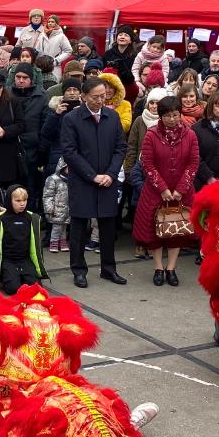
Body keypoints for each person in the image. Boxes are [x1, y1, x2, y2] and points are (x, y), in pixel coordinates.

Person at [61, 77, 128, 288]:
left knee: (108, 226)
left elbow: (120, 148)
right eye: (95, 97)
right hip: (83, 180)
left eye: (103, 96)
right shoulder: (72, 119)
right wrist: (92, 175)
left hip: (108, 180)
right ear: (84, 97)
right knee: (80, 227)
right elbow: (70, 152)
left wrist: (110, 173)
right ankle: (79, 270)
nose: (100, 100)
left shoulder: (112, 116)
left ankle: (109, 269)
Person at [133, 96, 200, 287]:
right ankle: (158, 267)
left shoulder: (190, 135)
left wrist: (180, 189)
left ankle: (171, 267)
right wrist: (162, 188)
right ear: (161, 116)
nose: (173, 119)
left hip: (182, 191)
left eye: (176, 115)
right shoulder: (152, 135)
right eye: (168, 116)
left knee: (176, 230)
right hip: (155, 191)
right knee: (154, 230)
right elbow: (147, 164)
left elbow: (193, 162)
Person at [0, 185, 46, 294]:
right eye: (18, 200)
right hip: (8, 260)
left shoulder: (32, 218)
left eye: (24, 200)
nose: (22, 204)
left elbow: (37, 247)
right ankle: (11, 276)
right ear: (9, 200)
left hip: (25, 259)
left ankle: (22, 276)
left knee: (36, 288)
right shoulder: (0, 219)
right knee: (13, 289)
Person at [43, 158, 70, 252]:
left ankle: (62, 241)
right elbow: (47, 195)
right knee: (56, 227)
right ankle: (53, 242)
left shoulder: (71, 180)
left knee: (64, 226)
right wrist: (49, 208)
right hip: (56, 208)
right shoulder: (53, 179)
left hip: (67, 209)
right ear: (62, 167)